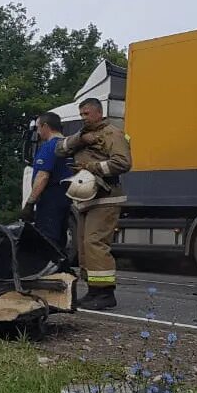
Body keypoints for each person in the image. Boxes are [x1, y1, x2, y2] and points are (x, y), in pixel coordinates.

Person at [54, 97, 132, 310]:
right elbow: (59, 149)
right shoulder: (83, 135)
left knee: (95, 243)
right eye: (81, 114)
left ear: (99, 112)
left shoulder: (112, 134)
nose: (83, 118)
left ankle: (106, 294)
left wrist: (92, 166)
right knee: (85, 247)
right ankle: (93, 291)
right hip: (87, 199)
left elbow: (123, 163)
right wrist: (81, 139)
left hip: (106, 197)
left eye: (86, 114)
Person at [21, 111, 74, 250]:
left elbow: (43, 176)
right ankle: (61, 268)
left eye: (38, 128)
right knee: (60, 238)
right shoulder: (68, 147)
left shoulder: (49, 147)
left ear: (45, 126)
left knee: (47, 239)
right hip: (66, 197)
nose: (38, 132)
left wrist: (30, 203)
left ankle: (50, 269)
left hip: (50, 199)